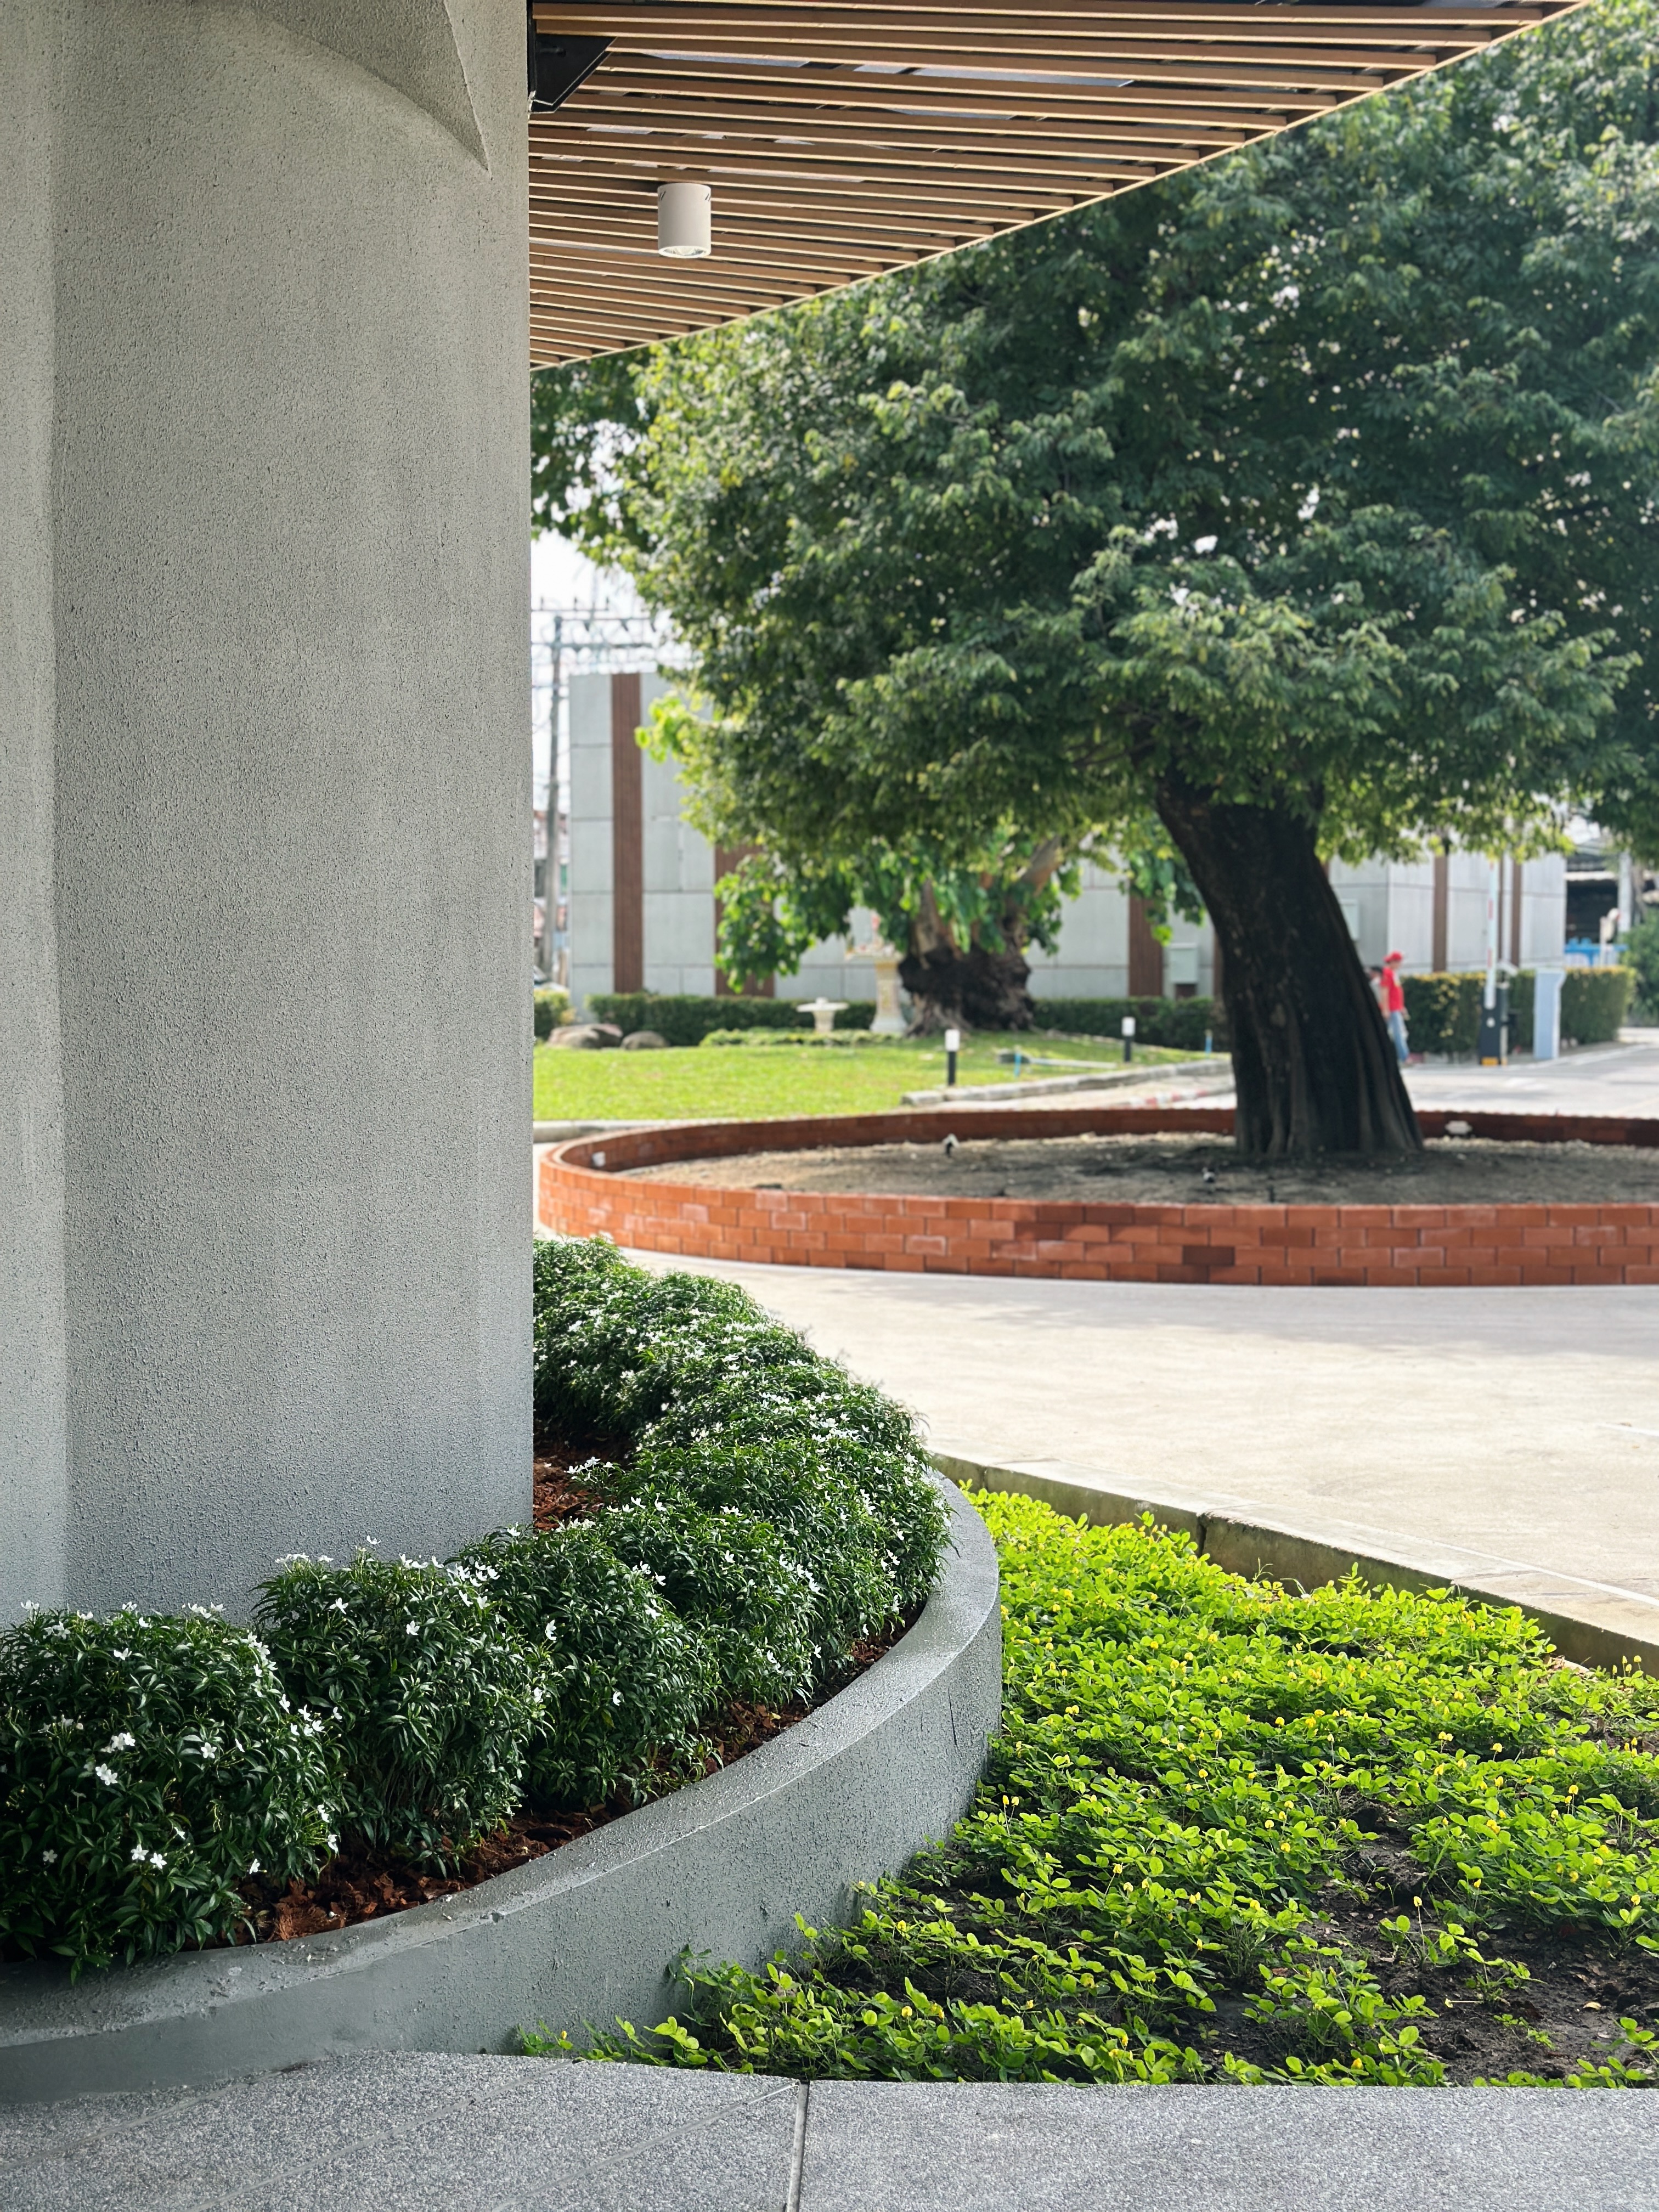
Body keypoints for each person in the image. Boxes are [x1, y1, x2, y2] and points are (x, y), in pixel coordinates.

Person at [1379, 951, 1409, 1065]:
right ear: (1393, 962)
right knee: (1398, 1034)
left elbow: (1396, 993)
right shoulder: (1387, 973)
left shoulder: (1393, 973)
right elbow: (1384, 991)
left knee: (1397, 1033)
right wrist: (1385, 1009)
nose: (1401, 964)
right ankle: (1404, 1057)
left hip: (1395, 1008)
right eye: (1399, 961)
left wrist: (1401, 1007)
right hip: (1391, 1009)